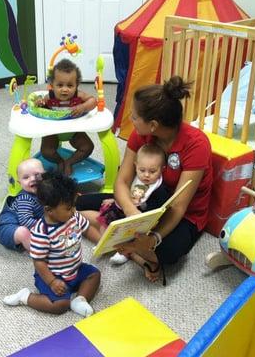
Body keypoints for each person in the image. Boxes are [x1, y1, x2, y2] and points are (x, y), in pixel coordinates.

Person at [77, 76, 213, 282]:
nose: (130, 120)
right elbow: (122, 181)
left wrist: (153, 237)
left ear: (153, 125)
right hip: (141, 197)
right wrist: (132, 213)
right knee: (76, 202)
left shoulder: (196, 144)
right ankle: (130, 247)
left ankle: (125, 242)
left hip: (183, 213)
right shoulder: (140, 135)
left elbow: (178, 206)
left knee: (168, 253)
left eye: (134, 117)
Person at [3, 171, 101, 317]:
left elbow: (87, 230)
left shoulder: (74, 217)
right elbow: (39, 262)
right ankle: (25, 297)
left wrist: (102, 242)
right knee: (60, 305)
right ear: (49, 210)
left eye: (73, 206)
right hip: (52, 274)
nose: (73, 210)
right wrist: (52, 282)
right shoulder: (41, 232)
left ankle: (80, 300)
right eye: (68, 208)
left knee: (94, 274)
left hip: (75, 268)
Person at [37, 58, 97, 176]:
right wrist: (40, 104)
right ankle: (59, 161)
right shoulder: (50, 97)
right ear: (52, 85)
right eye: (60, 85)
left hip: (73, 131)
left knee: (88, 147)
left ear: (76, 85)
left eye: (70, 85)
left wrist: (83, 107)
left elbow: (93, 100)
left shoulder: (78, 95)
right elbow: (41, 105)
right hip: (53, 132)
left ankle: (69, 162)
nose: (65, 89)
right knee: (46, 151)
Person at [0, 158, 45, 251]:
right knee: (23, 232)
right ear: (20, 183)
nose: (33, 179)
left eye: (37, 175)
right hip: (8, 228)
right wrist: (46, 226)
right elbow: (25, 221)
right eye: (26, 177)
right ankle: (39, 253)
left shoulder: (46, 189)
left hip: (29, 222)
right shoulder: (25, 199)